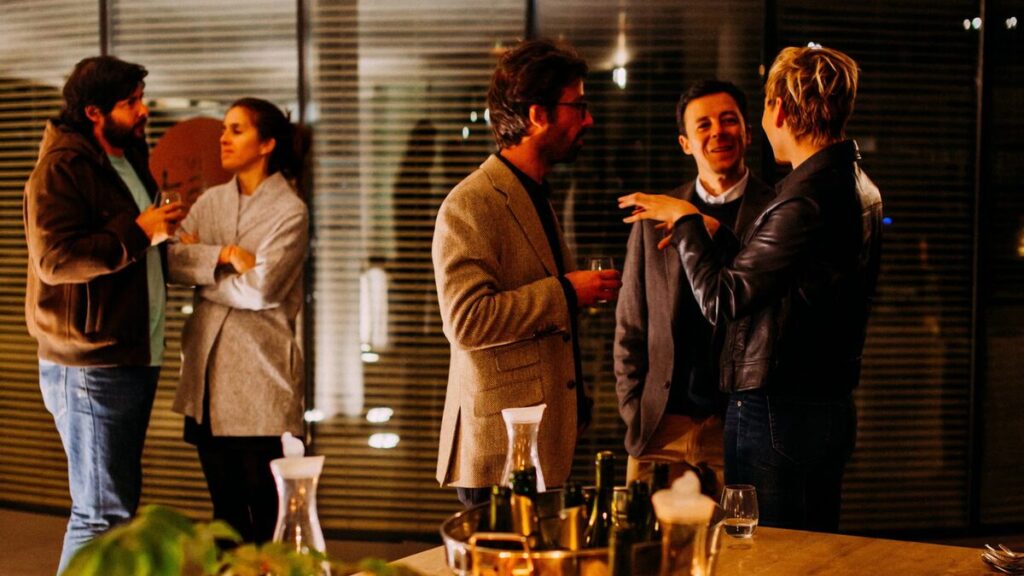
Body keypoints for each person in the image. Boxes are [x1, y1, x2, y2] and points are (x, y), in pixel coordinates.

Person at [619, 46, 883, 532]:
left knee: (770, 554)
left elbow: (723, 300)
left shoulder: (801, 199)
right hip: (813, 406)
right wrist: (723, 237)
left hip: (780, 411)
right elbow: (794, 286)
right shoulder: (852, 183)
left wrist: (688, 223)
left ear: (776, 111)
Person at [433, 39, 622, 507]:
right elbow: (466, 321)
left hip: (540, 444)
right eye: (578, 107)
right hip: (498, 453)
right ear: (538, 115)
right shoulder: (471, 202)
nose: (588, 120)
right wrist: (566, 292)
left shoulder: (534, 191)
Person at [23, 55, 185, 571]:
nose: (143, 110)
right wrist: (138, 232)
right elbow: (55, 260)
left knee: (116, 510)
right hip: (90, 366)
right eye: (130, 102)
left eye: (141, 98)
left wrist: (161, 233)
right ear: (93, 111)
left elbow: (138, 241)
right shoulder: (61, 168)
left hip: (129, 354)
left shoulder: (127, 156)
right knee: (99, 515)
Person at [613, 80, 774, 497]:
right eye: (703, 125)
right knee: (642, 538)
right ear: (685, 143)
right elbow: (631, 326)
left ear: (748, 133)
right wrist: (634, 410)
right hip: (659, 426)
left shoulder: (775, 212)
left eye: (728, 121)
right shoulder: (656, 215)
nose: (718, 132)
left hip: (736, 425)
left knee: (737, 539)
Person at [167, 98, 308, 543]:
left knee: (267, 519)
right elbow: (170, 262)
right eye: (224, 129)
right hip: (206, 381)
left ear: (267, 144)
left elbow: (262, 289)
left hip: (259, 383)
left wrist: (203, 269)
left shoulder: (290, 211)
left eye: (236, 129)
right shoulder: (211, 201)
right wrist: (226, 256)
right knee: (224, 516)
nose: (223, 138)